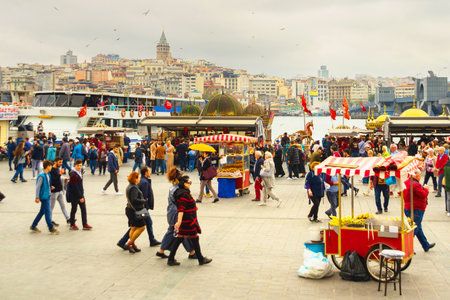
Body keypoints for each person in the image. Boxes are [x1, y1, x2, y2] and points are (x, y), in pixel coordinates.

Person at [167, 173, 212, 266]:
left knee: (180, 238)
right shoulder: (183, 194)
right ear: (184, 183)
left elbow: (185, 206)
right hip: (188, 221)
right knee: (194, 238)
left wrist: (193, 207)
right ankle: (200, 258)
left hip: (187, 219)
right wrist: (178, 222)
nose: (190, 184)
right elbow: (181, 209)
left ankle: (171, 259)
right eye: (189, 182)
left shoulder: (182, 192)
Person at [155, 167, 196, 259]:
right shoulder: (177, 189)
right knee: (181, 232)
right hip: (175, 213)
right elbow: (182, 204)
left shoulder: (174, 187)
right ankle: (192, 252)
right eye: (181, 176)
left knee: (172, 231)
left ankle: (161, 250)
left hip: (172, 212)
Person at [117, 166, 161, 249]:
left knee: (139, 225)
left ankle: (151, 240)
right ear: (146, 173)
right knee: (139, 226)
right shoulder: (144, 182)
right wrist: (145, 202)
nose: (150, 172)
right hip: (141, 209)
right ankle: (126, 242)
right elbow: (141, 197)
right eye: (149, 171)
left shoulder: (141, 182)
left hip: (140, 208)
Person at [403, 170, 435, 252]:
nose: (421, 177)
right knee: (415, 228)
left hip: (408, 207)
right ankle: (406, 246)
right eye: (420, 175)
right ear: (416, 176)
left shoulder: (407, 182)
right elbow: (423, 195)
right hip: (416, 209)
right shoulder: (415, 184)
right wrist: (426, 189)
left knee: (418, 227)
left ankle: (425, 245)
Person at [30, 160, 59, 234]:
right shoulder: (41, 176)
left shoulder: (48, 174)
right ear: (48, 166)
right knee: (47, 212)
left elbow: (47, 184)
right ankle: (50, 227)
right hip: (44, 196)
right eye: (51, 166)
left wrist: (50, 187)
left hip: (47, 194)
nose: (51, 167)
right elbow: (38, 187)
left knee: (42, 212)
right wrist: (37, 197)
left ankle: (33, 226)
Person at [123, 171, 146, 253]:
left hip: (129, 210)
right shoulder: (133, 188)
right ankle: (130, 243)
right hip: (134, 211)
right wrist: (143, 201)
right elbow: (134, 200)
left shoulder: (130, 186)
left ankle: (132, 245)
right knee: (142, 227)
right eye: (138, 177)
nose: (139, 179)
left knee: (133, 227)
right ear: (135, 178)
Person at [68, 160, 92, 230]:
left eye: (80, 165)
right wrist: (80, 196)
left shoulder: (79, 173)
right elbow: (74, 186)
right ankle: (72, 224)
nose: (79, 167)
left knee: (83, 210)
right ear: (75, 165)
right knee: (74, 209)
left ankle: (84, 224)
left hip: (80, 194)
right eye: (78, 165)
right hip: (75, 195)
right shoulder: (73, 174)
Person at [50, 157, 70, 226]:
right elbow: (53, 180)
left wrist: (64, 178)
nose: (61, 163)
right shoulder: (51, 170)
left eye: (61, 162)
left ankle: (68, 218)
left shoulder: (58, 169)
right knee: (51, 207)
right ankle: (50, 220)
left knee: (63, 205)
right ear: (55, 162)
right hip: (54, 192)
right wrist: (60, 174)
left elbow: (58, 178)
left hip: (59, 190)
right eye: (59, 162)